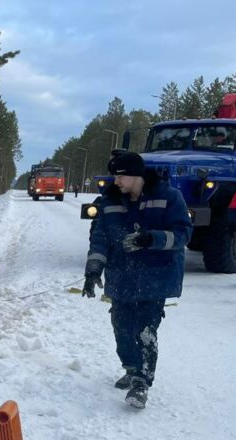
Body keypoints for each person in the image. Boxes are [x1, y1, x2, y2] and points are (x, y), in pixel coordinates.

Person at [82, 152, 193, 409]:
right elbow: (99, 239)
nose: (116, 181)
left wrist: (150, 239)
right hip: (121, 276)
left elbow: (183, 233)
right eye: (115, 176)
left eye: (121, 176)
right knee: (121, 327)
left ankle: (142, 383)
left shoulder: (168, 197)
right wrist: (93, 271)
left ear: (137, 176)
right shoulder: (109, 201)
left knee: (145, 330)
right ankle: (131, 368)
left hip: (155, 276)